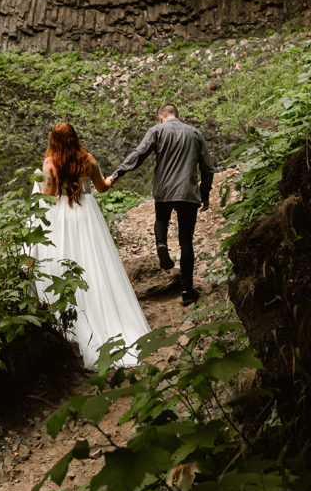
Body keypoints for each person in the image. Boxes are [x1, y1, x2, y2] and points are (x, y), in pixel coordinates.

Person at [30, 122, 150, 368]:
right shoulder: (88, 160)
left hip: (63, 217)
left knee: (64, 262)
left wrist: (37, 186)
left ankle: (69, 323)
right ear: (74, 137)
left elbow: (49, 195)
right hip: (87, 215)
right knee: (96, 267)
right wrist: (113, 177)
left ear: (53, 140)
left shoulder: (50, 163)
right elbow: (103, 188)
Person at [107, 105, 214, 306]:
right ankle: (187, 291)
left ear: (161, 117)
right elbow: (208, 167)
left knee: (161, 219)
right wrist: (205, 193)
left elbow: (138, 154)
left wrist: (117, 174)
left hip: (164, 191)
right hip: (188, 193)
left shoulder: (157, 130)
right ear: (178, 116)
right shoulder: (195, 133)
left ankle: (161, 244)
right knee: (186, 242)